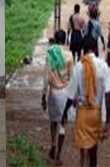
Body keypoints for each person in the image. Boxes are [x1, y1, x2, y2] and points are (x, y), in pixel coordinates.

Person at [61, 38, 110, 167]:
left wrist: (64, 113)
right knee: (93, 147)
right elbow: (107, 96)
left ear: (84, 50)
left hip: (82, 112)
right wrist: (107, 121)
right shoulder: (103, 66)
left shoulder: (79, 66)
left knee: (83, 148)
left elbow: (71, 94)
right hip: (95, 113)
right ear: (96, 48)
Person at [43, 30, 74, 164]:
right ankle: (58, 155)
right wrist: (74, 97)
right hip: (65, 92)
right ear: (66, 40)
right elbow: (72, 78)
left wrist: (43, 95)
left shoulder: (50, 55)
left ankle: (53, 143)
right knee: (63, 123)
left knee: (53, 121)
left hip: (54, 92)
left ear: (55, 40)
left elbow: (46, 78)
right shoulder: (69, 55)